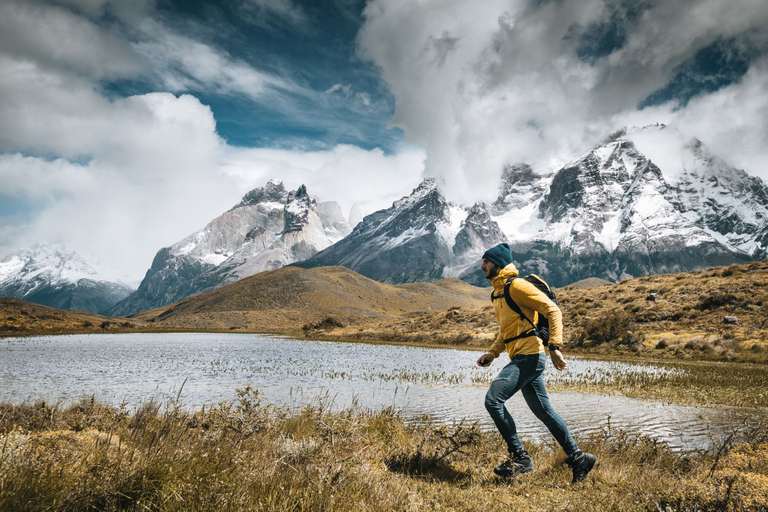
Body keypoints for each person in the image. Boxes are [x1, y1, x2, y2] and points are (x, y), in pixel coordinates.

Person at [476, 242, 596, 483]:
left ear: (497, 263)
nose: (482, 266)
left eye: (486, 261)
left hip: (530, 356)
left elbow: (552, 311)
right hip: (521, 356)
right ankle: (579, 458)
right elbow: (507, 330)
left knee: (493, 400)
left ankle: (520, 457)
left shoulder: (517, 286)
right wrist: (493, 353)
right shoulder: (498, 293)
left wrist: (555, 347)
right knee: (544, 411)